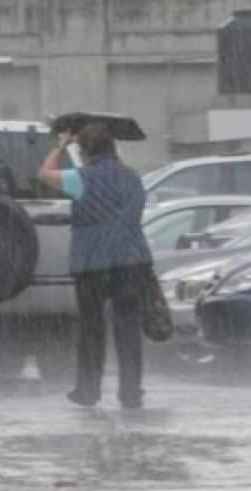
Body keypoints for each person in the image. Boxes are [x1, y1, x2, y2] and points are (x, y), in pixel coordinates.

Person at [38, 122, 153, 409]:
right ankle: (131, 392)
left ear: (85, 150)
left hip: (92, 263)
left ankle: (88, 390)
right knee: (128, 327)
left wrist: (60, 146)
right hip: (131, 260)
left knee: (91, 328)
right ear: (112, 148)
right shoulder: (132, 178)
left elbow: (44, 174)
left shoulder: (80, 178)